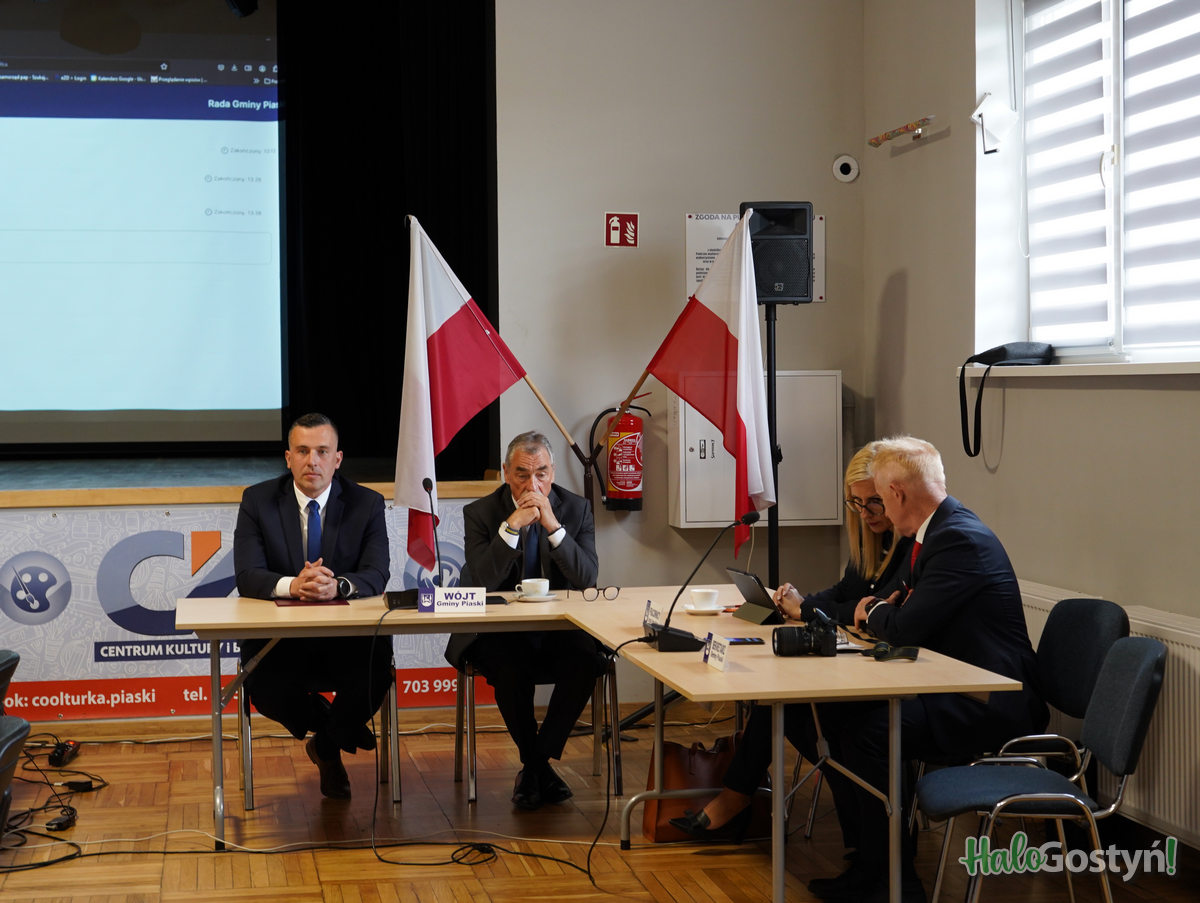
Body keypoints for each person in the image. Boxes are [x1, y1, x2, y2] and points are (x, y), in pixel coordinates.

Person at [670, 442, 913, 844]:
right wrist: (799, 603)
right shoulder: (870, 541)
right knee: (785, 706)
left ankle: (740, 799)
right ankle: (746, 798)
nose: (867, 513)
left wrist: (809, 609)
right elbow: (846, 594)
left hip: (892, 676)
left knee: (800, 711)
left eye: (874, 502)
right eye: (856, 503)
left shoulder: (909, 545)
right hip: (859, 662)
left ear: (893, 493)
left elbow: (871, 607)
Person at [233, 412, 391, 800]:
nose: (312, 461)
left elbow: (377, 573)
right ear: (288, 458)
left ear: (338, 459)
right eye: (302, 451)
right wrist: (294, 585)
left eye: (322, 451)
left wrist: (336, 586)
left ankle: (325, 746)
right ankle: (335, 730)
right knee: (262, 685)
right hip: (280, 644)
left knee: (376, 669)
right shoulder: (258, 501)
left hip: (347, 642)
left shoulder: (367, 503)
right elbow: (247, 575)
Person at [445, 430, 601, 811]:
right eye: (522, 474)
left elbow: (587, 578)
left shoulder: (576, 509)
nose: (533, 485)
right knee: (509, 668)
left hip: (558, 631)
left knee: (588, 659)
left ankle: (534, 765)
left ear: (552, 473)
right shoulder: (481, 513)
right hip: (502, 632)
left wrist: (554, 529)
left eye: (542, 474)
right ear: (506, 473)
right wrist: (511, 528)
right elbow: (479, 582)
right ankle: (539, 768)